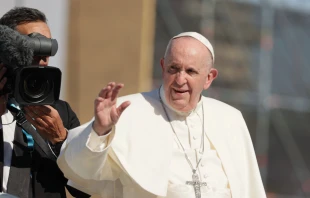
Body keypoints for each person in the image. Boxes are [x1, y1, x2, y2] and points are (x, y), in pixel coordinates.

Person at [57, 32, 266, 198]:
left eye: (191, 71)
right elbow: (78, 171)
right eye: (173, 69)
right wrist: (100, 131)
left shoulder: (230, 119)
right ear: (163, 67)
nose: (180, 79)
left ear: (209, 78)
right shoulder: (127, 111)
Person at [0, 7, 89, 198]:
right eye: (31, 46)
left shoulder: (61, 113)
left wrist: (62, 141)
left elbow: (85, 189)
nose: (42, 57)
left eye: (46, 45)